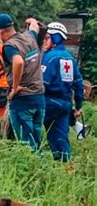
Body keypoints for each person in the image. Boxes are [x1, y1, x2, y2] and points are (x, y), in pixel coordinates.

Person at [0, 14, 45, 151]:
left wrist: (15, 88)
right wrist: (32, 21)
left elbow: (18, 61)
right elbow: (34, 28)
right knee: (36, 142)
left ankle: (34, 169)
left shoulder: (9, 46)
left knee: (27, 146)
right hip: (39, 98)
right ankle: (42, 168)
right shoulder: (29, 37)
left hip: (22, 100)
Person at [40, 21, 85, 161]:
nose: (44, 41)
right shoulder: (70, 59)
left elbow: (43, 83)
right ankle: (66, 168)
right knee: (61, 139)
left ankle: (34, 161)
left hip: (49, 102)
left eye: (47, 38)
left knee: (32, 130)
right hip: (65, 105)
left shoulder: (49, 57)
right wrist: (78, 107)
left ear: (56, 38)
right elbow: (79, 84)